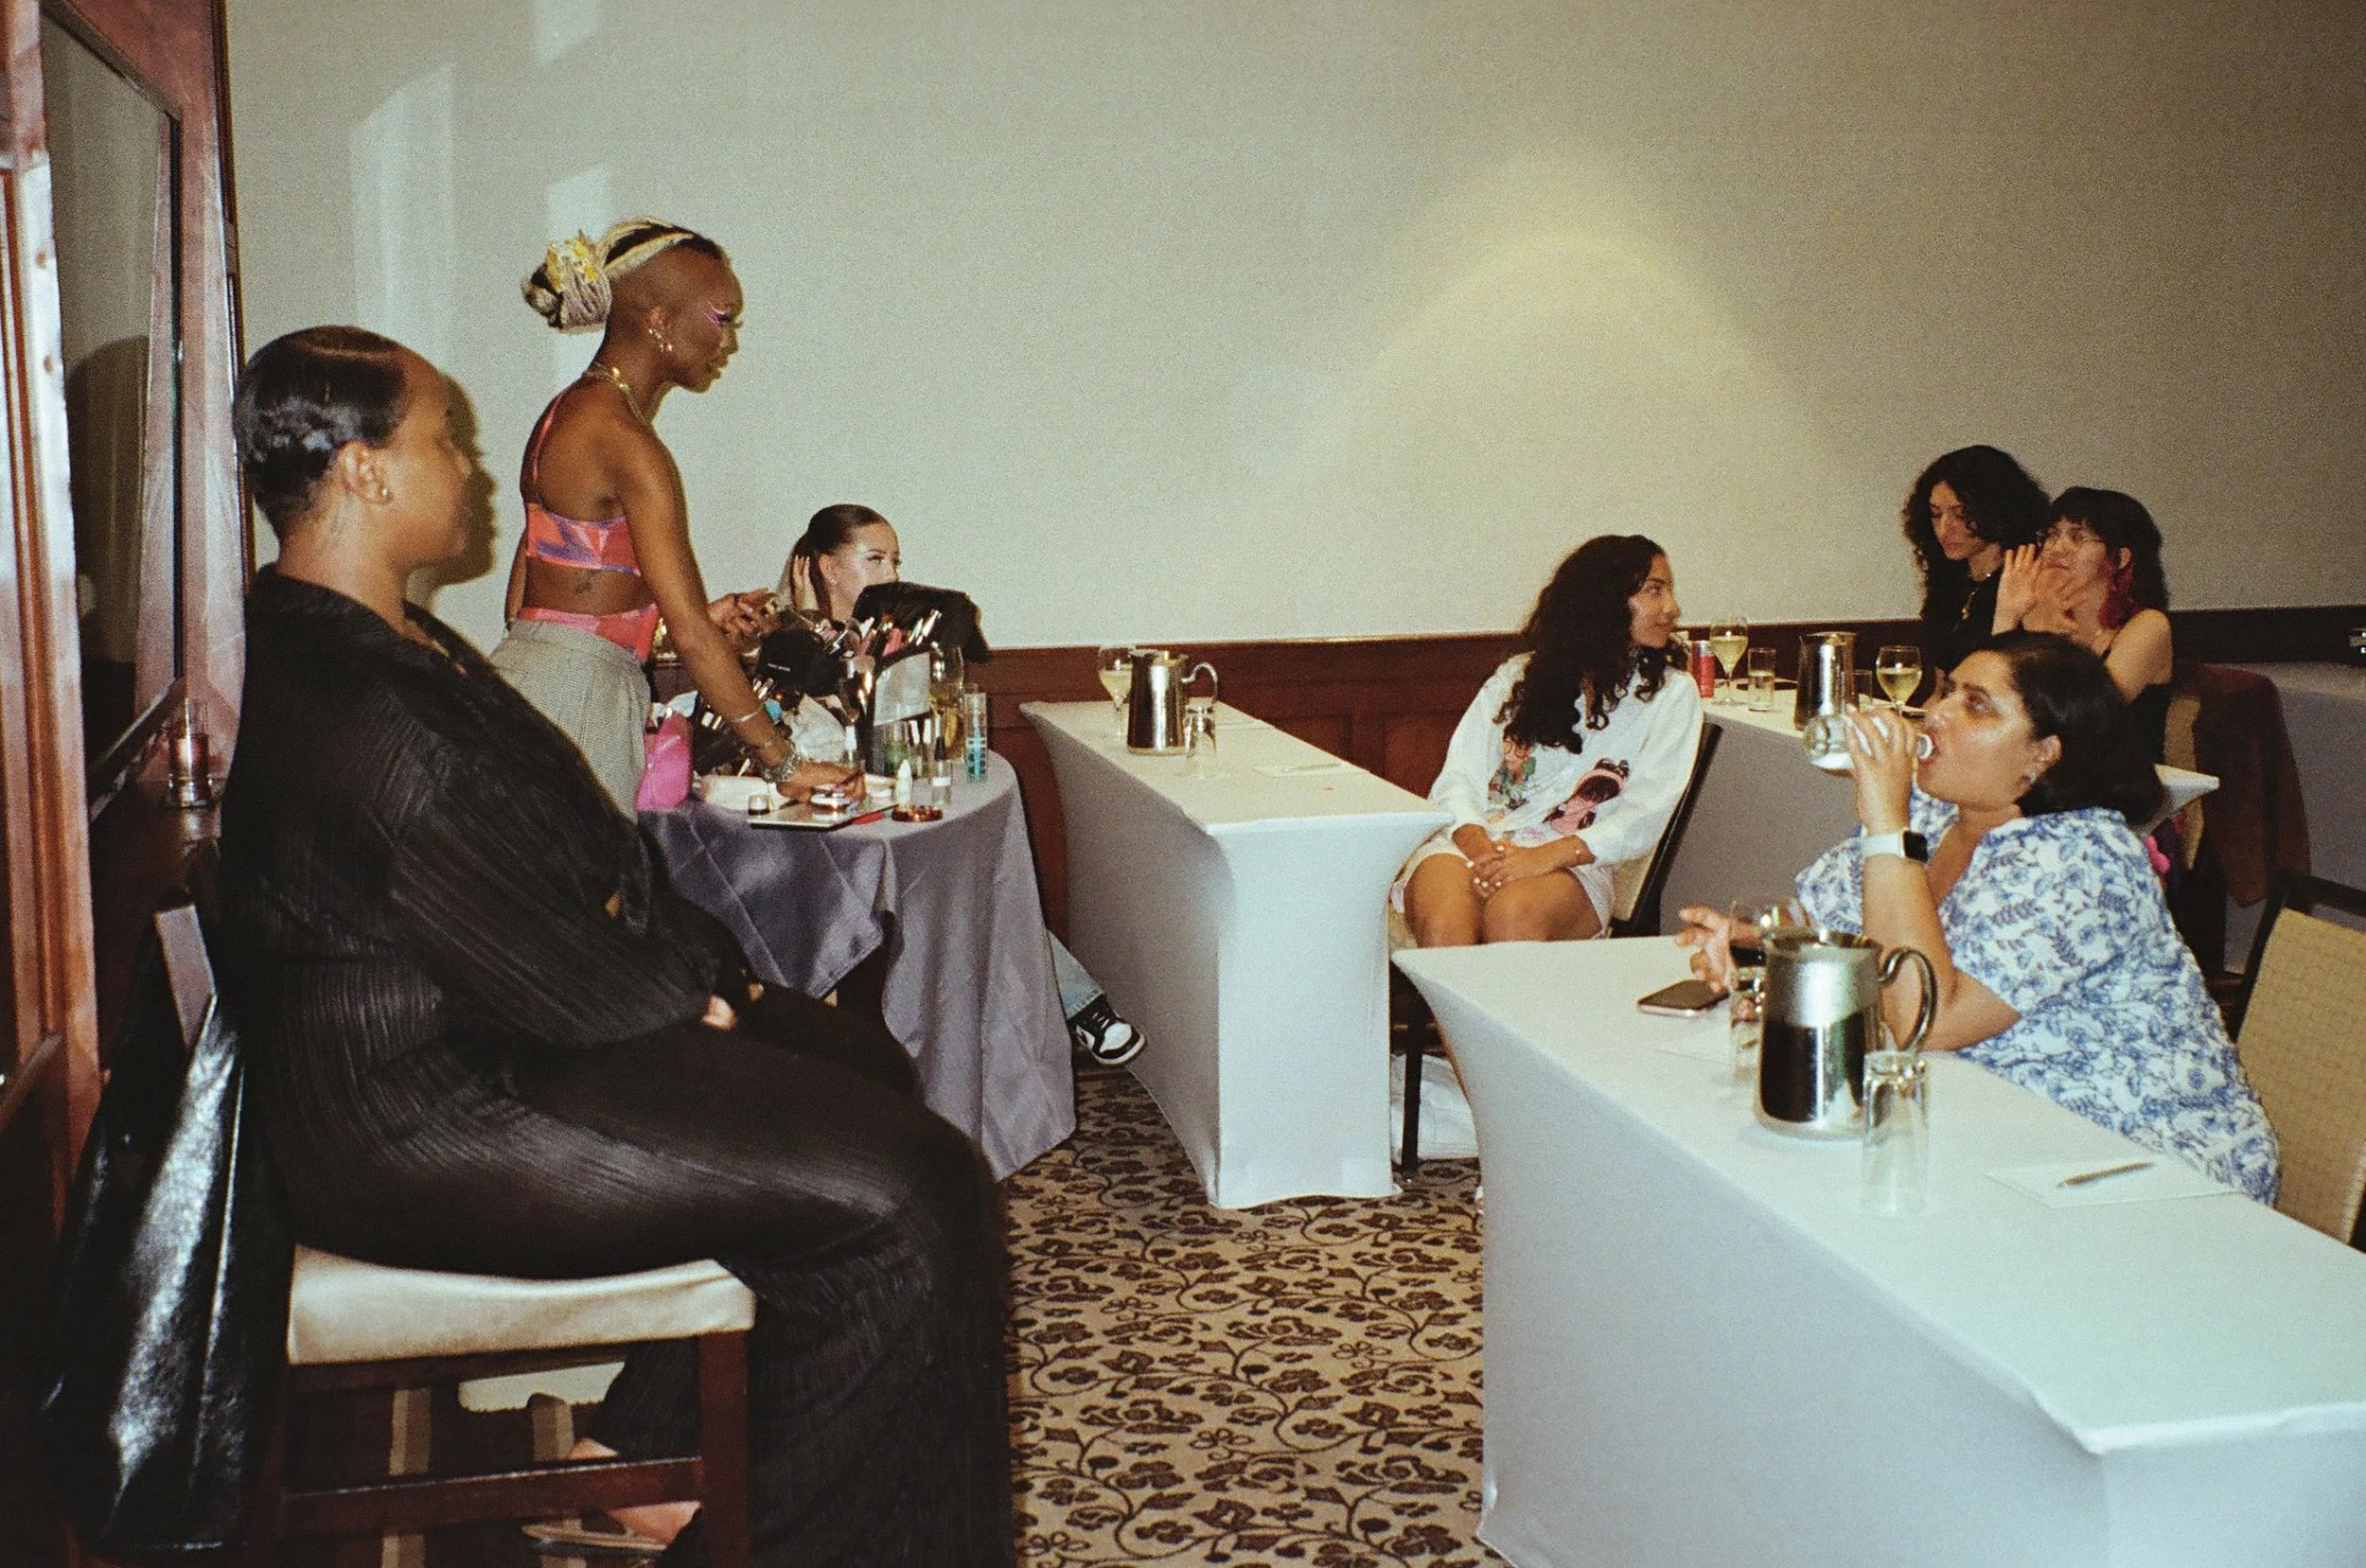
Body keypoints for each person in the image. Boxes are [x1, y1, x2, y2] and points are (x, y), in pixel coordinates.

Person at [220, 326, 1014, 1566]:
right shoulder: (360, 700)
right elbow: (519, 921)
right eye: (444, 441)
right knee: (911, 1195)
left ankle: (657, 1446)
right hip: (424, 1115)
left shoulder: (368, 636)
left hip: (476, 1045)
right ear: (366, 471)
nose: (475, 470)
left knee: (855, 1066)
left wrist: (710, 979)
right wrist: (677, 998)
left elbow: (561, 868)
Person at [1678, 632, 2276, 1202]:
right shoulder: (1937, 818)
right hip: (1991, 1129)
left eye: (1977, 707)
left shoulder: (2086, 856)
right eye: (1947, 691)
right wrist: (1759, 948)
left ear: (2043, 755)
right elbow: (1820, 928)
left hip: (2137, 1164)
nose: (1935, 715)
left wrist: (1887, 826)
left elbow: (1926, 1022)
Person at [773, 504, 1147, 1065]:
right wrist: (812, 636)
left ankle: (1067, 1013)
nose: (891, 574)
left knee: (968, 875)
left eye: (895, 560)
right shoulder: (778, 641)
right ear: (826, 567)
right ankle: (1078, 1008)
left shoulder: (899, 635)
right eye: (873, 560)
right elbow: (802, 743)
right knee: (947, 882)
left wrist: (886, 662)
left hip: (886, 816)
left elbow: (911, 740)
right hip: (812, 841)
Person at [493, 217, 831, 811]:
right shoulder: (627, 441)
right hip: (581, 698)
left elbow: (533, 603)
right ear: (658, 321)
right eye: (721, 319)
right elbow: (698, 643)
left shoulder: (564, 415)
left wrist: (667, 626)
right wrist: (786, 763)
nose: (729, 342)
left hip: (532, 682)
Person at [1398, 535, 1703, 946]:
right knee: (1445, 917)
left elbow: (1644, 816)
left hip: (1573, 863)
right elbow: (1458, 778)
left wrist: (1542, 858)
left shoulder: (1672, 695)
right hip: (1473, 841)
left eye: (1667, 591)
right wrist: (1483, 850)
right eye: (1654, 590)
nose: (1672, 608)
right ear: (1604, 601)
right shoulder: (1517, 677)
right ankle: (1446, 1015)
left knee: (1513, 913)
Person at [1990, 486, 2174, 759]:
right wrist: (2006, 614)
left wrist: (2044, 640)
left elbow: (2085, 722)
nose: (2055, 548)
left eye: (2077, 537)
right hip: (2046, 775)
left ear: (2120, 558)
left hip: (2117, 784)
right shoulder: (2041, 617)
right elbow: (1992, 698)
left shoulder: (2148, 627)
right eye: (2052, 535)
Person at [1900, 446, 2052, 676]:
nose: (1944, 529)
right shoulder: (1951, 580)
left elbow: (2029, 680)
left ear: (1997, 512)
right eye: (1936, 514)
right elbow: (1941, 688)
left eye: (1960, 515)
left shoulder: (2026, 578)